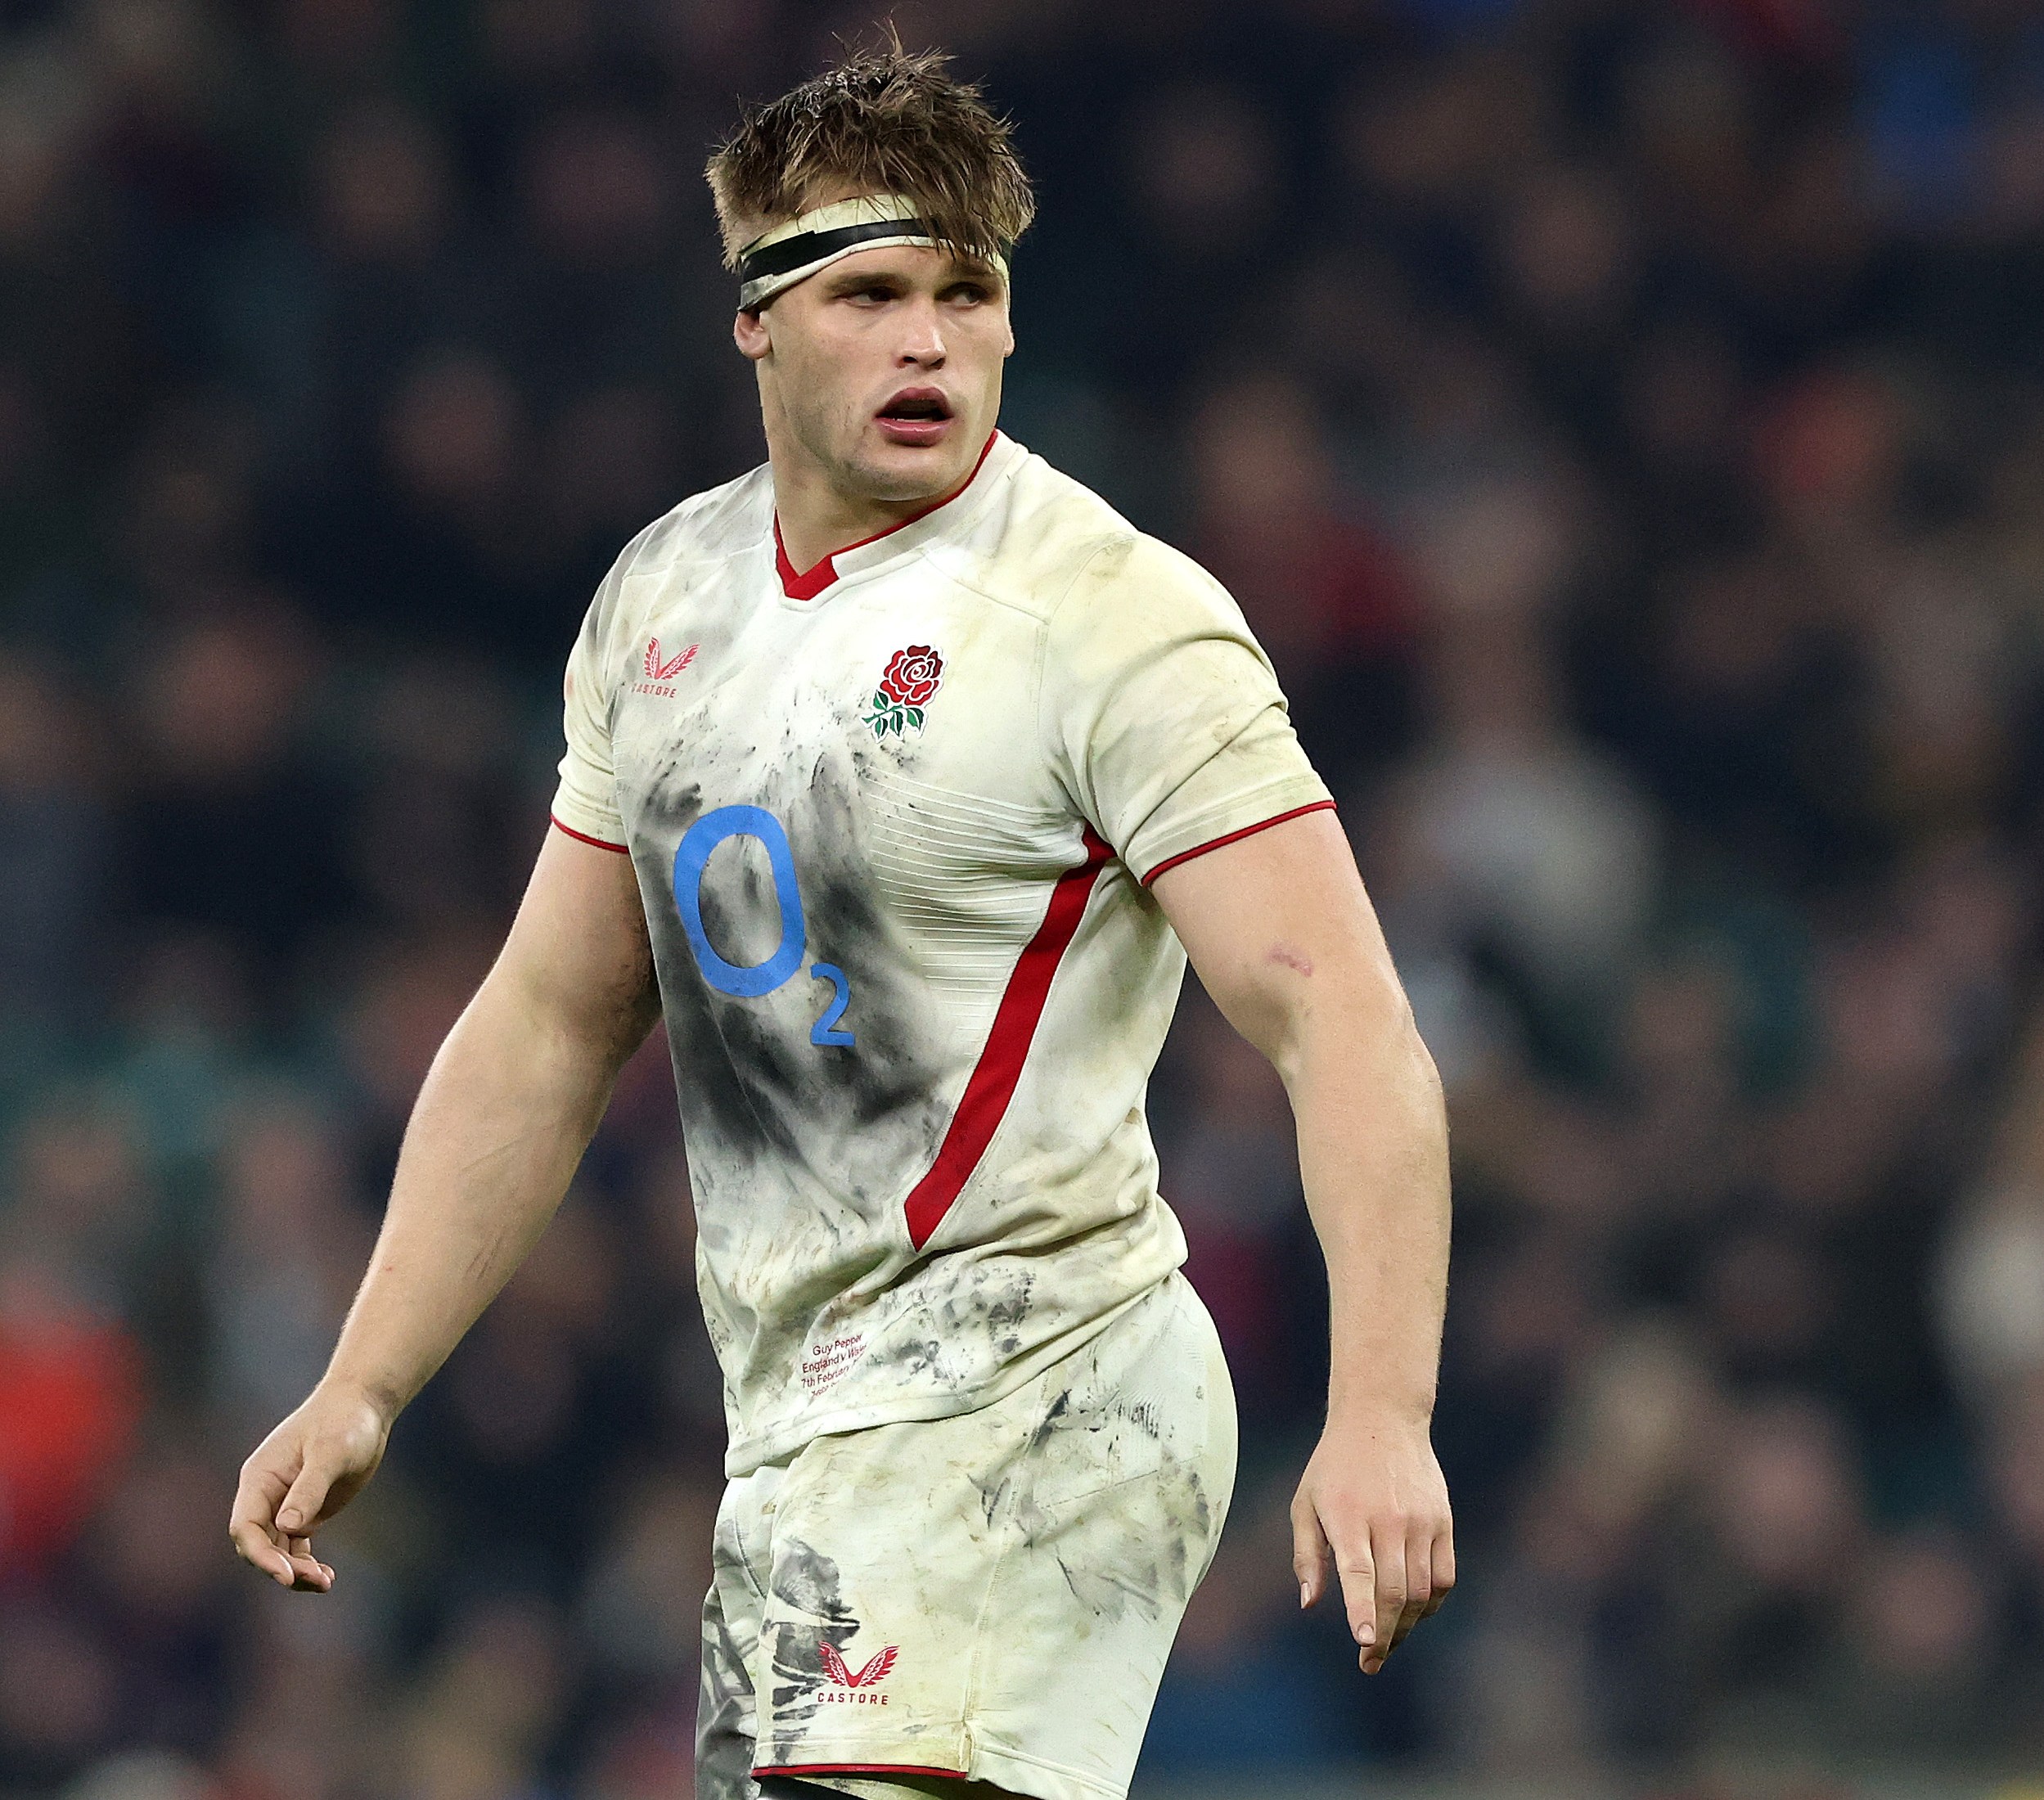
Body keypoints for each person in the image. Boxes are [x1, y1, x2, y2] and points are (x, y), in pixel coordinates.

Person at [228, 42, 1455, 1800]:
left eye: (967, 294)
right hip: (806, 1429)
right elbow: (550, 1022)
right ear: (754, 318)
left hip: (1037, 1386)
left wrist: (1381, 1412)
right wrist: (365, 1379)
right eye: (870, 294)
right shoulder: (664, 601)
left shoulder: (1112, 617)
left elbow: (1337, 1005)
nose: (927, 342)